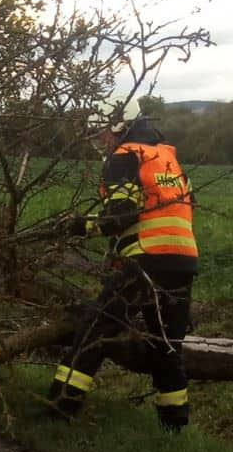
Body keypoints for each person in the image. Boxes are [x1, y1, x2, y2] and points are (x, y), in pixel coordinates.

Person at [49, 111, 198, 432]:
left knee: (94, 330)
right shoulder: (167, 158)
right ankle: (174, 429)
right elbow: (188, 206)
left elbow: (120, 216)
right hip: (183, 262)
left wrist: (78, 225)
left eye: (101, 132)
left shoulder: (125, 156)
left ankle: (59, 410)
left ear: (118, 126)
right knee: (166, 345)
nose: (100, 140)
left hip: (146, 261)